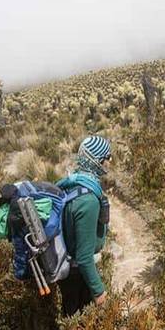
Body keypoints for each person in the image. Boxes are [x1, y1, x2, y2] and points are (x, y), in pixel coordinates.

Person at [55, 135, 112, 316]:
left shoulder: (74, 182)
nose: (110, 161)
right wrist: (99, 291)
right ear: (96, 161)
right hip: (77, 275)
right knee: (79, 326)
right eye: (107, 157)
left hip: (69, 269)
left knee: (71, 318)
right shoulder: (88, 201)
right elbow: (84, 257)